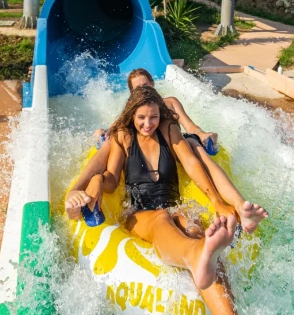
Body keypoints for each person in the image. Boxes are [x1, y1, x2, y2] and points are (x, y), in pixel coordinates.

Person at [69, 86, 282, 315]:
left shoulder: (169, 131)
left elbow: (193, 165)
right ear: (132, 116)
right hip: (138, 214)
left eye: (153, 117)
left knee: (192, 225)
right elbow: (112, 179)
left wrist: (216, 201)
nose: (147, 124)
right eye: (141, 118)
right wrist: (94, 181)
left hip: (174, 205)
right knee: (161, 220)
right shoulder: (123, 137)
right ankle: (197, 254)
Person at [66, 68, 268, 234]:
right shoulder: (131, 123)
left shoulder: (169, 104)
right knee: (111, 142)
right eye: (138, 88)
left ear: (153, 85)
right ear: (132, 97)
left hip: (174, 148)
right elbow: (121, 129)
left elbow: (190, 127)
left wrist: (203, 134)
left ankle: (238, 205)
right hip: (147, 174)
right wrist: (103, 135)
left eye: (146, 85)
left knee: (194, 147)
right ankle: (78, 191)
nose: (143, 90)